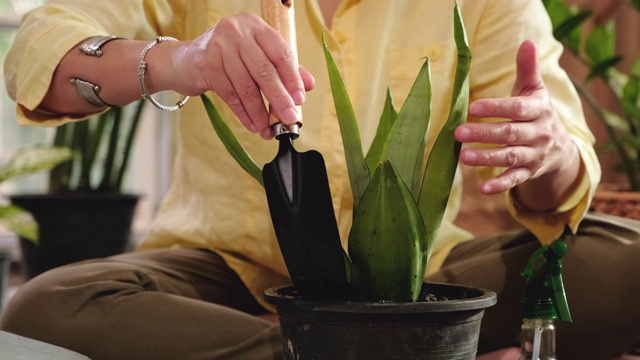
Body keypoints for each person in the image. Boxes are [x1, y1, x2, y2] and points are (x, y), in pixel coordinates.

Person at [1, 0, 639, 359]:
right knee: (43, 307)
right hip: (228, 279)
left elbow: (562, 187)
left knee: (625, 265)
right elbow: (41, 52)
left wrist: (545, 149)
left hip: (424, 287)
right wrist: (178, 60)